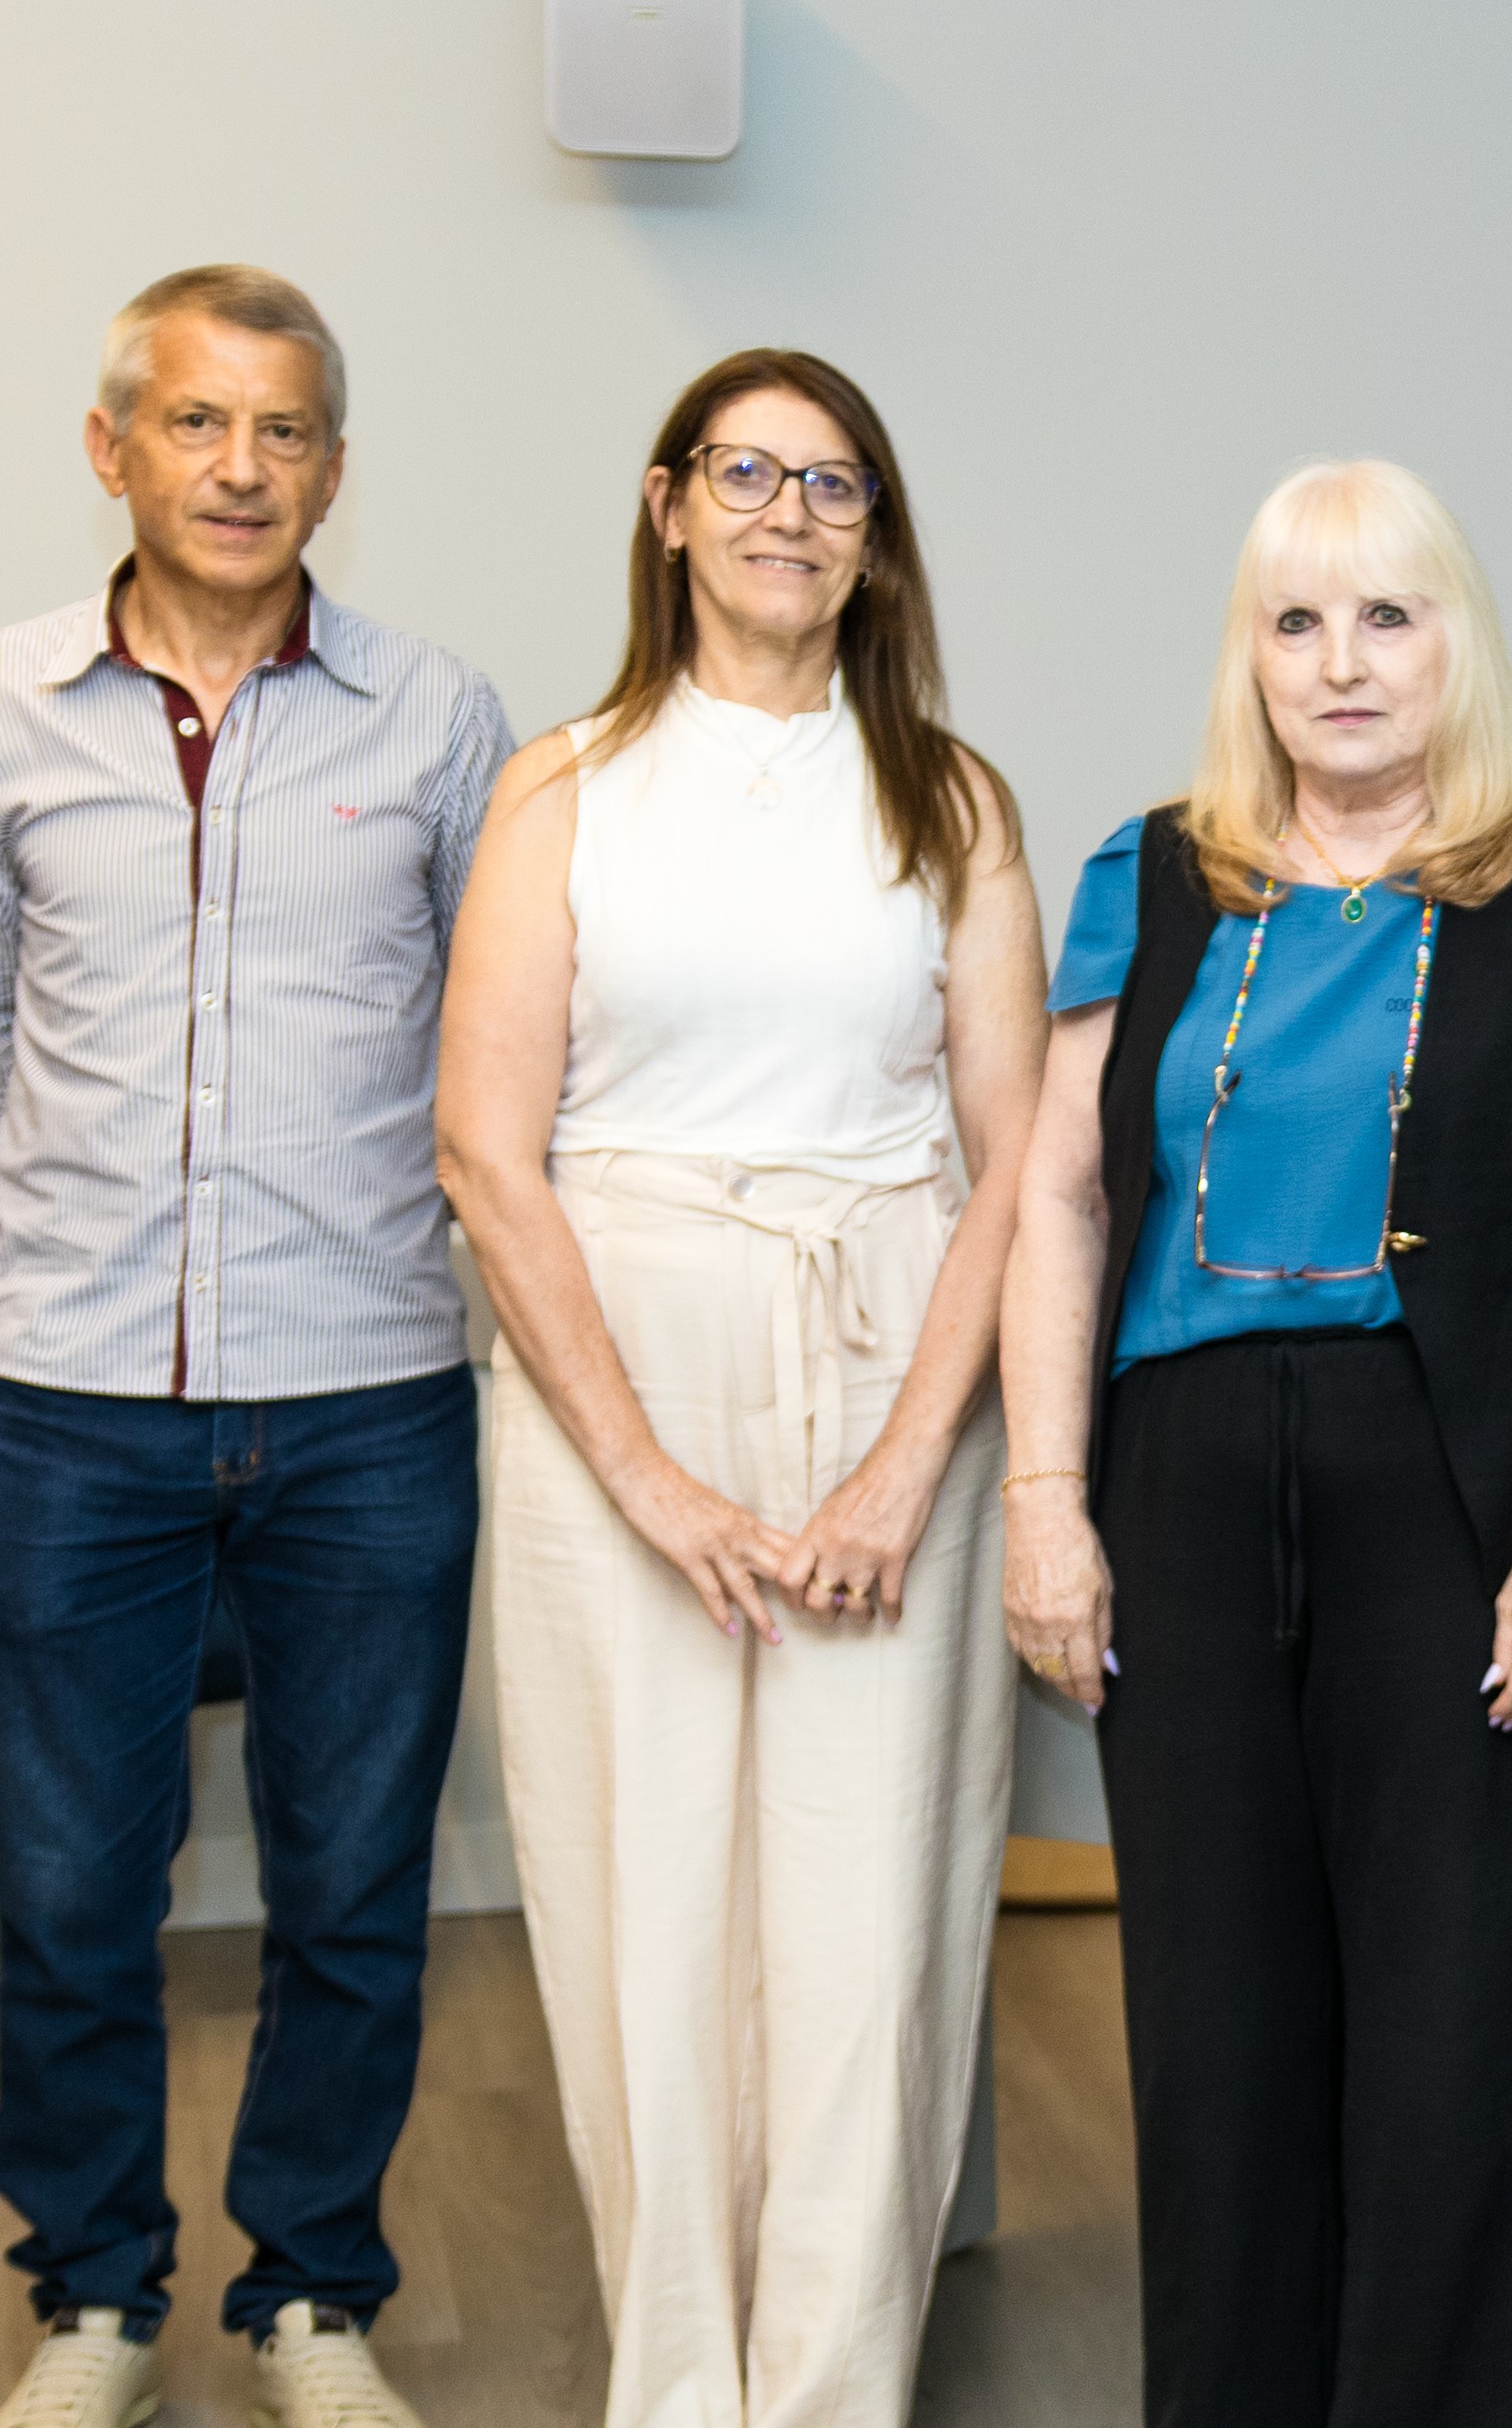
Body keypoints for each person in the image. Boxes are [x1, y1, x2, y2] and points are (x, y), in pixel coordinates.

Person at [996, 458, 1512, 2428]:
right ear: (1251, 655)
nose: (1341, 661)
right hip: (1183, 1486)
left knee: (1455, 2048)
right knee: (1212, 2039)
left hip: (1452, 1490)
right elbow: (1057, 1199)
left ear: (1457, 641)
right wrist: (1046, 1503)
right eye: (1295, 621)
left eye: (1387, 614)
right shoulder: (1148, 873)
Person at [0, 266, 510, 2428]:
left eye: (284, 430)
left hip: (370, 1395)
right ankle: (94, 2296)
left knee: (354, 1884)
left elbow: (490, 1041)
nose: (239, 468)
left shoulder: (439, 719)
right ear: (113, 449)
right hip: (72, 1405)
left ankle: (310, 2299)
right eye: (195, 421)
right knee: (74, 1887)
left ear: (333, 470)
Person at [435, 350, 1045, 2428]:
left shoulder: (952, 803)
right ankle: (681, 2386)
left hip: (893, 1360)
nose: (791, 513)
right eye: (750, 473)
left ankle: (830, 2393)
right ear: (668, 503)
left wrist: (902, 1468)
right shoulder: (563, 786)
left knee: (869, 1923)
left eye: (837, 483)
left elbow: (1018, 1163)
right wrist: (648, 1479)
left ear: (877, 538)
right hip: (615, 1371)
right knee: (648, 1912)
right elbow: (484, 1154)